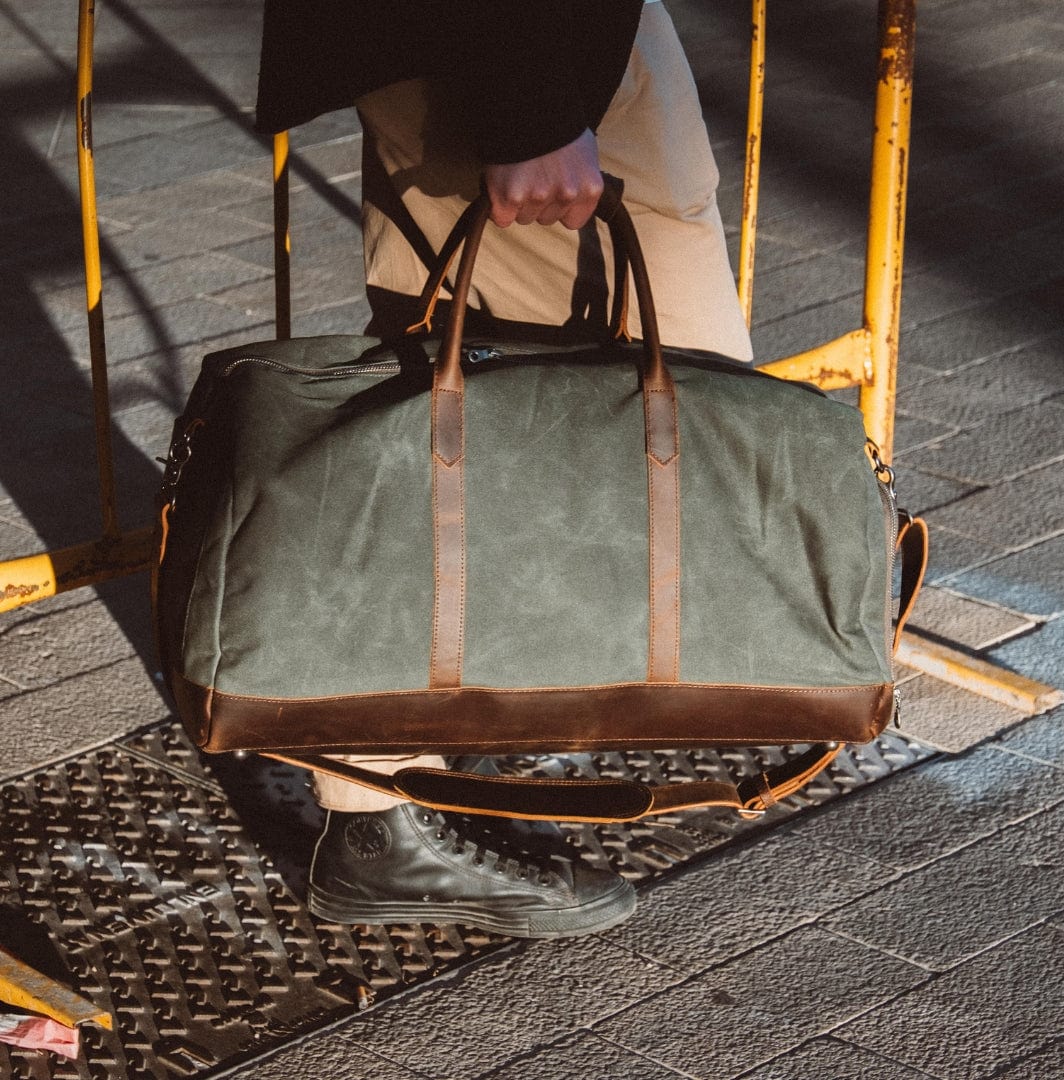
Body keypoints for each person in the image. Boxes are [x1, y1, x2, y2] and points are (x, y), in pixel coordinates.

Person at [254, 0, 752, 939]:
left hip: (546, 39)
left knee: (492, 402)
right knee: (675, 404)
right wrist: (527, 107)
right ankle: (377, 815)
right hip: (509, 40)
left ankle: (434, 753)